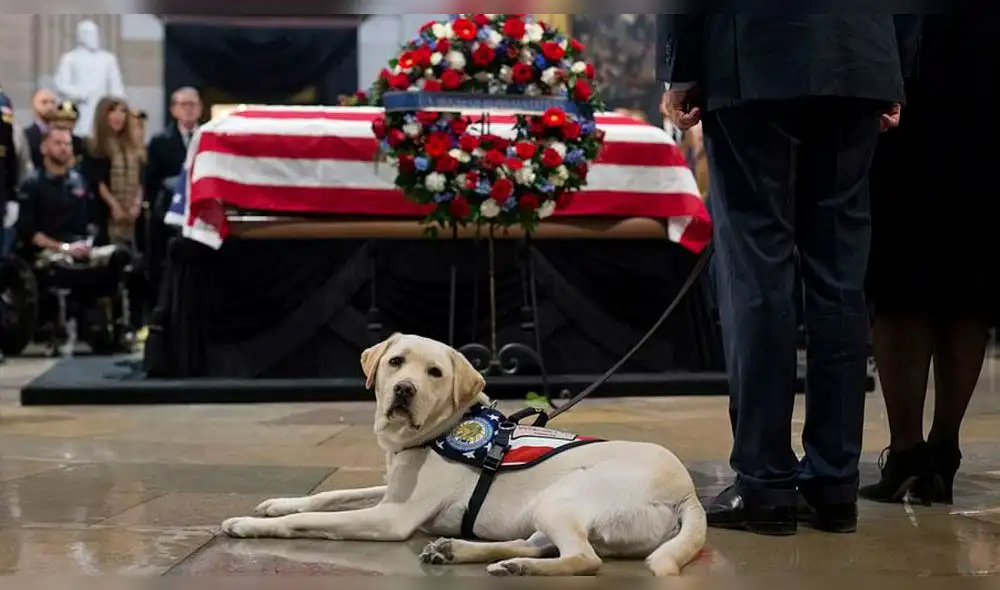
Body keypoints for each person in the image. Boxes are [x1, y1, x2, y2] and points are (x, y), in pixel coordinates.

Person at [658, 15, 921, 535]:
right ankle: (834, 484)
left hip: (751, 56)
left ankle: (764, 483)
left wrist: (679, 68)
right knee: (840, 278)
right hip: (858, 59)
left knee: (756, 271)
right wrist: (895, 68)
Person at [861, 16, 1000, 505]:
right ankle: (944, 449)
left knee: (901, 279)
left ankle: (907, 451)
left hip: (912, 79)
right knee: (971, 281)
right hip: (985, 79)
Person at [144, 87, 201, 301]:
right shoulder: (160, 142)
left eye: (193, 104)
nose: (189, 109)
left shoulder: (208, 139)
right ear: (173, 109)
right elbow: (151, 180)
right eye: (184, 104)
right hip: (168, 216)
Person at [83, 96, 144, 253]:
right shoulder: (93, 146)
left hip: (134, 214)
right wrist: (114, 206)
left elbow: (142, 179)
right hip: (106, 214)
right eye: (112, 111)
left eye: (123, 111)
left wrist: (137, 203)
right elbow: (97, 181)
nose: (118, 116)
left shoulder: (136, 148)